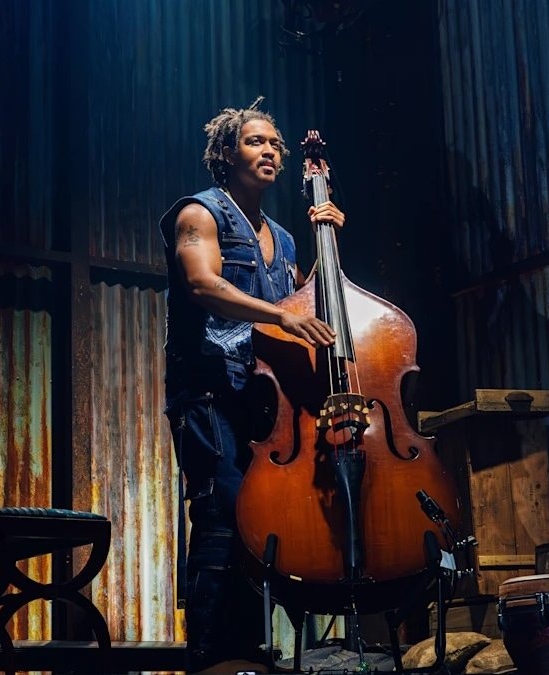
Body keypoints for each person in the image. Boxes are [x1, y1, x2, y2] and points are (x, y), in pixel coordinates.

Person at [158, 98, 345, 672]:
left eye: (275, 145)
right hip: (209, 390)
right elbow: (202, 285)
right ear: (226, 154)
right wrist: (278, 315)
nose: (269, 152)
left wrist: (327, 249)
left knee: (261, 520)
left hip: (263, 398)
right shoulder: (200, 213)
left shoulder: (284, 238)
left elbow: (298, 305)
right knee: (221, 514)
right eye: (255, 142)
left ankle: (248, 653)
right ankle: (208, 656)